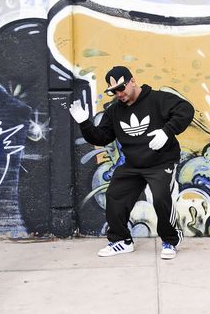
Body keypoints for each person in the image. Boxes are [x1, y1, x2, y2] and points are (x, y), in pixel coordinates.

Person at [69, 66, 194, 259]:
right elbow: (101, 137)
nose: (119, 94)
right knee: (114, 195)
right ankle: (121, 241)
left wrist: (167, 131)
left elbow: (186, 110)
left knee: (160, 196)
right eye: (114, 91)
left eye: (121, 88)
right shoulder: (114, 111)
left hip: (161, 161)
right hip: (133, 163)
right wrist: (84, 123)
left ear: (132, 81)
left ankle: (170, 240)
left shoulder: (158, 99)